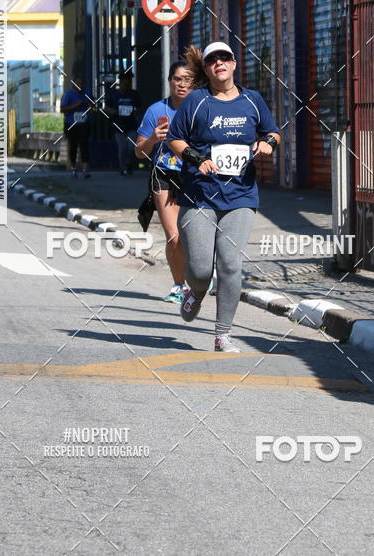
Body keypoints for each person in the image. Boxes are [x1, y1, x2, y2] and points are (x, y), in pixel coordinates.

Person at [166, 42, 281, 353]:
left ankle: (222, 334)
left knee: (230, 264)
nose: (219, 63)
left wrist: (268, 142)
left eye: (224, 58)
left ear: (233, 64)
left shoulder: (252, 100)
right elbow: (174, 138)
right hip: (199, 197)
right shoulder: (196, 102)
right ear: (206, 68)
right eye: (212, 59)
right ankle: (196, 292)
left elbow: (273, 131)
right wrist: (195, 158)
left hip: (241, 196)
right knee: (202, 270)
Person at [135, 61, 193, 303]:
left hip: (196, 176)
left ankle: (200, 275)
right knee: (174, 235)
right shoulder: (155, 110)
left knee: (197, 234)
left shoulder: (202, 108)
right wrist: (152, 139)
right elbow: (139, 152)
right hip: (165, 175)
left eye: (188, 80)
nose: (182, 84)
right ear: (170, 81)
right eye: (177, 79)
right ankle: (180, 285)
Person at [106, 71, 141, 176]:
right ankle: (123, 168)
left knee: (131, 147)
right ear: (120, 83)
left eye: (128, 83)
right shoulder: (114, 95)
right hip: (118, 126)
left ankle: (129, 163)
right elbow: (107, 107)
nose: (127, 85)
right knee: (122, 148)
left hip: (132, 126)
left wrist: (134, 110)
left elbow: (139, 107)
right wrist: (113, 111)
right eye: (125, 83)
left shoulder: (134, 94)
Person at [60, 75, 93, 179]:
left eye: (81, 83)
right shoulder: (68, 94)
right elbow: (62, 109)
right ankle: (73, 168)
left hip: (84, 123)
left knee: (84, 145)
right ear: (73, 84)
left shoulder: (87, 93)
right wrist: (76, 105)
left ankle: (85, 169)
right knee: (73, 146)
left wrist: (90, 105)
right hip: (71, 124)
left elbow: (93, 104)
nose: (80, 85)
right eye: (77, 83)